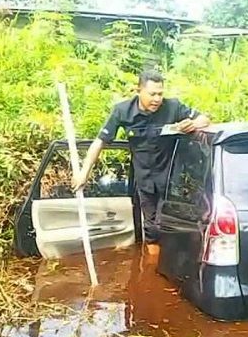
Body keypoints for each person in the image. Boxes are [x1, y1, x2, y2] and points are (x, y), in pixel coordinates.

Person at [72, 70, 210, 253]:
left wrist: (194, 124)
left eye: (160, 94)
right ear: (139, 91)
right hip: (145, 180)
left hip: (173, 182)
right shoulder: (123, 111)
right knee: (152, 229)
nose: (157, 99)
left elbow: (204, 119)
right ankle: (152, 265)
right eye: (152, 94)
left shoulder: (173, 106)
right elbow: (100, 142)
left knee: (176, 228)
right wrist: (84, 172)